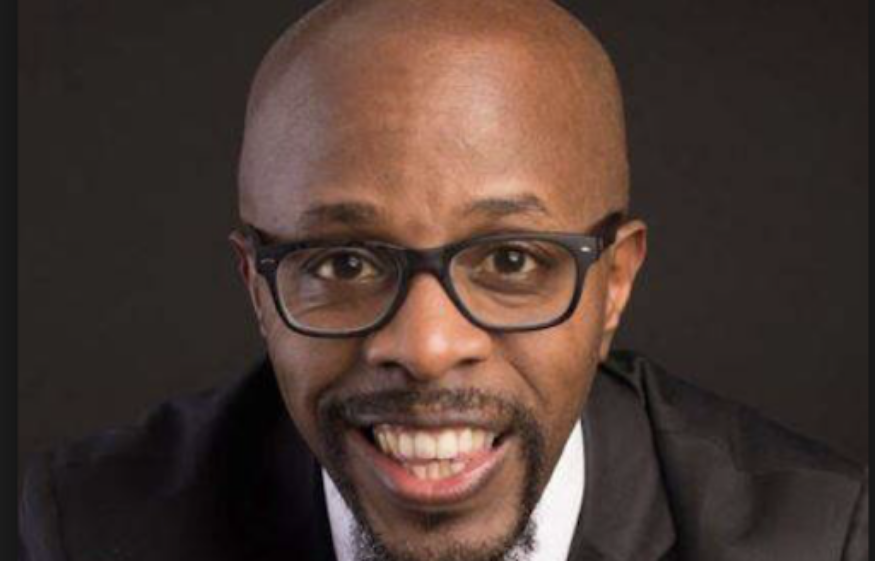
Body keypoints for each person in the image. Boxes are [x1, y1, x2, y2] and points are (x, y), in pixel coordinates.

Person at [19, 0, 868, 560]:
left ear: (613, 283)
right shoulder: (94, 526)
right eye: (343, 263)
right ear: (257, 289)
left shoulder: (813, 538)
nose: (426, 346)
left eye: (510, 260)